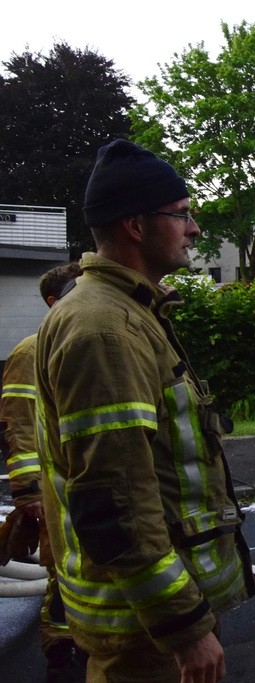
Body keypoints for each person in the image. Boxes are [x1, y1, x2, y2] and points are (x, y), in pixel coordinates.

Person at [33, 138, 255, 682]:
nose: (195, 228)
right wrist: (184, 626)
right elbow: (115, 502)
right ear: (135, 225)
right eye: (181, 215)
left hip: (145, 623)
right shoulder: (104, 328)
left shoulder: (125, 311)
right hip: (143, 636)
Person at [1, 261, 86, 681]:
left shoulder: (77, 342)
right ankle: (61, 649)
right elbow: (17, 423)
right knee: (62, 568)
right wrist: (28, 492)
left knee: (81, 566)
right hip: (54, 489)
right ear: (53, 302)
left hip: (79, 484)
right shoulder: (31, 351)